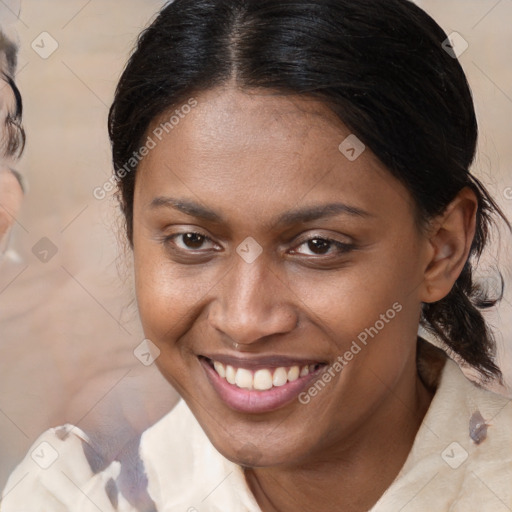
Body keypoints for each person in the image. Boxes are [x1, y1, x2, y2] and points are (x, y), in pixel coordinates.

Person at [2, 0, 511, 510]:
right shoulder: (75, 498)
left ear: (441, 250)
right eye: (192, 240)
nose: (246, 320)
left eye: (318, 246)